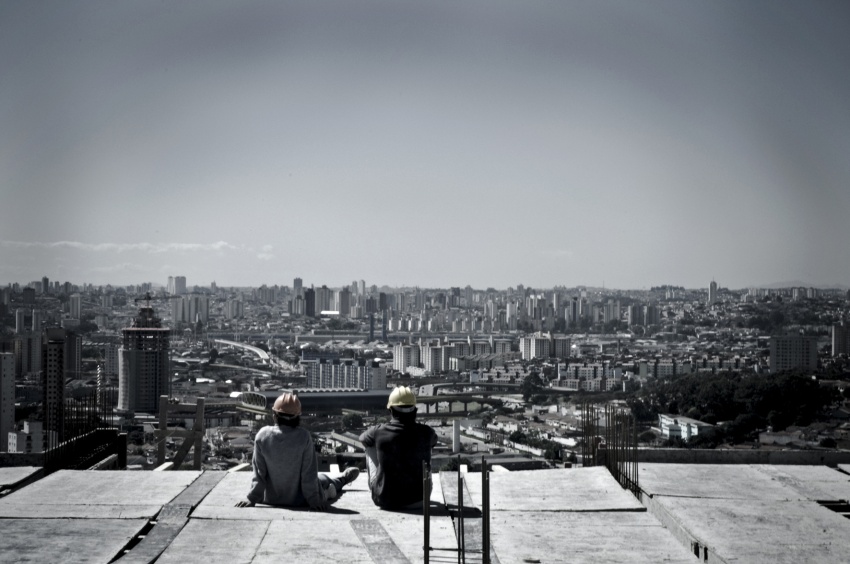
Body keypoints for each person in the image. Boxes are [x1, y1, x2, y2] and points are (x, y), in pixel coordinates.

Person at [235, 392, 359, 510]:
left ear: (274, 416)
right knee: (323, 479)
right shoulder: (303, 437)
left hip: (269, 499)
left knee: (321, 479)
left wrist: (251, 498)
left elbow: (259, 474)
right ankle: (342, 480)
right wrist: (314, 500)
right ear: (297, 417)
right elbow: (309, 475)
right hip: (301, 500)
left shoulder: (262, 435)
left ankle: (339, 482)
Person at [359, 386, 437, 509]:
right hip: (420, 500)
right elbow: (433, 441)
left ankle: (381, 484)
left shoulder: (378, 431)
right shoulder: (427, 432)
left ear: (391, 411)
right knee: (427, 445)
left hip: (385, 500)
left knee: (370, 445)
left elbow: (362, 439)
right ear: (415, 410)